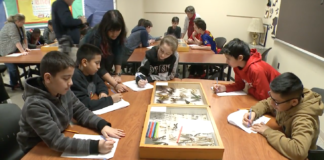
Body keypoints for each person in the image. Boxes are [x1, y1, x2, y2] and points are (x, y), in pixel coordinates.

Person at [17, 51, 125, 154]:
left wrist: (101, 125)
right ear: (48, 78)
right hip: (37, 149)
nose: (71, 83)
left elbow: (81, 111)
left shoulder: (62, 89)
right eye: (66, 78)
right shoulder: (34, 105)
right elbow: (56, 141)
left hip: (59, 135)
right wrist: (95, 146)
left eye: (71, 78)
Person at [243, 72, 324, 160]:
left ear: (294, 102)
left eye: (276, 102)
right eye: (271, 96)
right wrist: (254, 112)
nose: (271, 103)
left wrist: (268, 131)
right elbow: (266, 103)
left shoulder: (304, 120)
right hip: (284, 139)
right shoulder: (286, 98)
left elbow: (299, 151)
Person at [213, 38, 280, 100]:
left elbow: (265, 96)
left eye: (228, 59)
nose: (226, 62)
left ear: (240, 58)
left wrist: (249, 89)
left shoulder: (256, 69)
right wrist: (224, 88)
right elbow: (240, 85)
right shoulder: (237, 67)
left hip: (280, 96)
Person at [80, 10, 128, 93]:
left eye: (118, 30)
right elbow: (98, 65)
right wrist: (115, 84)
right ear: (105, 28)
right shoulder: (95, 37)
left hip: (103, 72)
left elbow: (118, 53)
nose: (115, 34)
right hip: (89, 73)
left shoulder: (119, 35)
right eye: (111, 30)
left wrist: (117, 74)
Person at [71, 44, 123, 111]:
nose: (99, 67)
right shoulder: (75, 77)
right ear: (84, 62)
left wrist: (102, 92)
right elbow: (85, 104)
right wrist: (110, 100)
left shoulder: (91, 72)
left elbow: (100, 84)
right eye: (96, 63)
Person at [0, 13, 29, 88]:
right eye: (22, 22)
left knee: (19, 66)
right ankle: (13, 83)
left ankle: (18, 80)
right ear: (17, 21)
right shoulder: (11, 26)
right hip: (6, 52)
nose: (23, 23)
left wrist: (26, 47)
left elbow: (24, 37)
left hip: (14, 50)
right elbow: (16, 40)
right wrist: (22, 51)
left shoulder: (20, 26)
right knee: (12, 69)